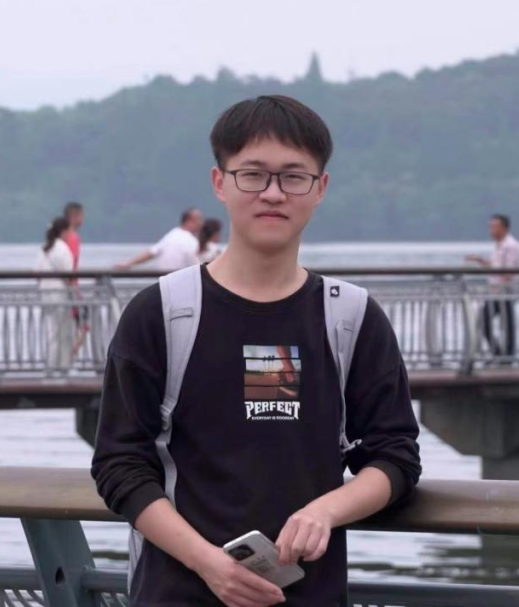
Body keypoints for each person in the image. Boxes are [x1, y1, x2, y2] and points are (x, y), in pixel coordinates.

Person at [92, 95, 421, 606]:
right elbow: (119, 463)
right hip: (178, 594)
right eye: (252, 175)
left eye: (293, 176)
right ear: (219, 182)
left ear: (320, 188)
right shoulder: (162, 312)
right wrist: (208, 563)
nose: (272, 193)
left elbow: (395, 455)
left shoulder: (351, 317)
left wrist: (326, 510)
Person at [466, 214, 519, 358]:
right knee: (503, 323)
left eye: (495, 227)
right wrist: (481, 261)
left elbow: (508, 270)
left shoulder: (510, 246)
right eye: (490, 227)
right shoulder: (499, 246)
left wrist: (500, 282)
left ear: (504, 228)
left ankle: (503, 355)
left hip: (504, 291)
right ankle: (502, 355)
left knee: (490, 322)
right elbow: (496, 266)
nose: (491, 230)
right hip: (496, 291)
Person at [35, 217, 75, 373]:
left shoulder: (44, 249)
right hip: (60, 294)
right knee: (63, 332)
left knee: (53, 331)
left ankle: (51, 366)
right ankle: (62, 367)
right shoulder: (62, 248)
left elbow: (36, 271)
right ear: (63, 231)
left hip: (45, 294)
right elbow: (69, 273)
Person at [117, 208, 204, 272]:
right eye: (199, 219)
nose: (201, 223)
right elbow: (198, 265)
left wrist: (129, 263)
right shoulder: (191, 242)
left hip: (166, 280)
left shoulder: (172, 235)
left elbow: (151, 252)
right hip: (182, 281)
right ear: (189, 221)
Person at [62, 201, 89, 354]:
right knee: (83, 326)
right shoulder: (72, 238)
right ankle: (70, 355)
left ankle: (68, 356)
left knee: (77, 326)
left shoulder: (64, 237)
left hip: (69, 289)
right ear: (74, 216)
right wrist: (74, 290)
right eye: (82, 216)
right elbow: (70, 265)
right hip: (72, 289)